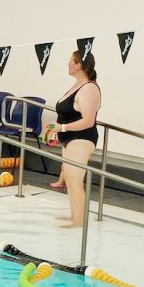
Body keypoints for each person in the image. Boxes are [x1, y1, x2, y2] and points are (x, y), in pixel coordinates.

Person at [48, 51, 101, 228]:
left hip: (82, 139)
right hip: (69, 139)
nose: (68, 64)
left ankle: (79, 222)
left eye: (71, 61)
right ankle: (75, 217)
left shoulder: (89, 88)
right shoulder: (77, 86)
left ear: (79, 65)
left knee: (75, 180)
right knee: (70, 180)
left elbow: (88, 120)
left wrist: (62, 128)